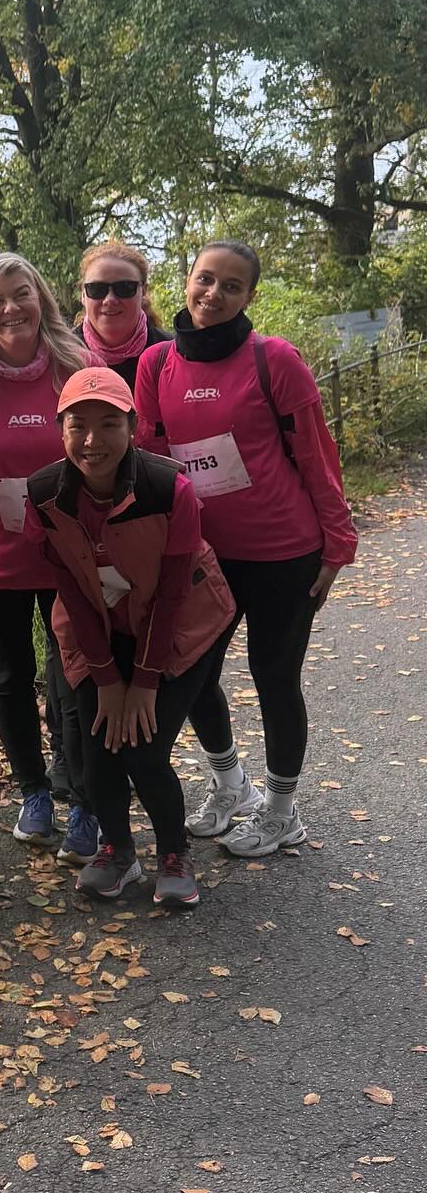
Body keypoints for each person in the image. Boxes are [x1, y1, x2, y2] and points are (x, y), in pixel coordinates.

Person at [135, 240, 357, 856]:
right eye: (205, 279)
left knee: (275, 678)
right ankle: (231, 784)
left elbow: (316, 454)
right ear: (186, 280)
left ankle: (282, 811)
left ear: (248, 297)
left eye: (231, 286)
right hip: (205, 556)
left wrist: (338, 543)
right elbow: (152, 461)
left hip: (285, 553)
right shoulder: (156, 366)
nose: (213, 294)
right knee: (194, 674)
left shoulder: (275, 360)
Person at [25, 369, 237, 907]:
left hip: (181, 625)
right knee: (96, 749)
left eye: (108, 424)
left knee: (143, 748)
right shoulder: (47, 494)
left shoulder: (170, 491)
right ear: (60, 429)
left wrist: (141, 682)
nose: (93, 441)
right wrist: (106, 678)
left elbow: (171, 594)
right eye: (78, 425)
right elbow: (69, 585)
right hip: (98, 624)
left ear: (133, 426)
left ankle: (173, 851)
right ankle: (118, 849)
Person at [0, 254, 99, 862]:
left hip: (68, 556)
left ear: (42, 298)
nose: (10, 308)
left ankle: (84, 799)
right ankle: (33, 791)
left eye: (21, 293)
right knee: (7, 678)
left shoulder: (76, 365)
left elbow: (112, 447)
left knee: (74, 678)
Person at [75, 240, 172, 391]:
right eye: (97, 289)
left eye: (125, 288)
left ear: (144, 292)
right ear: (83, 295)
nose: (110, 299)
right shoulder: (61, 356)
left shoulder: (172, 355)